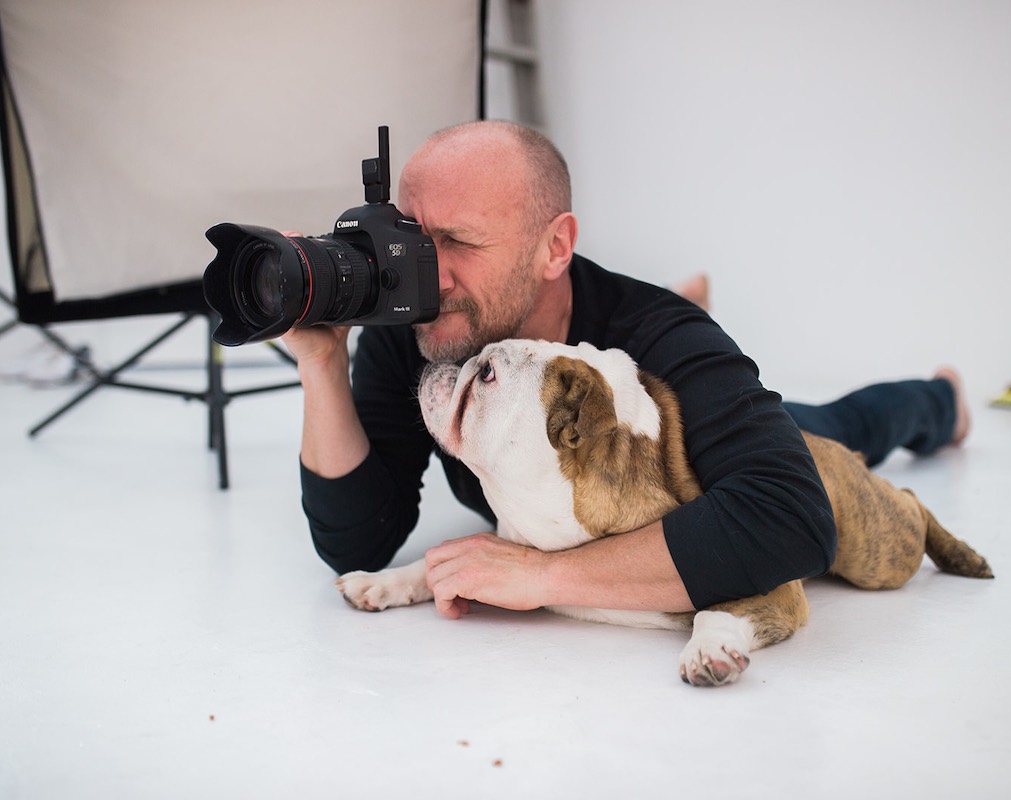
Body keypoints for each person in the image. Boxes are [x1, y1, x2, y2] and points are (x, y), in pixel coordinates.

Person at [283, 120, 968, 620]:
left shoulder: (659, 337)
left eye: (457, 241)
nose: (426, 274)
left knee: (836, 428)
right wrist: (321, 365)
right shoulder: (429, 328)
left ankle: (942, 401)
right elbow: (359, 544)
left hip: (671, 401)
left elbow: (791, 519)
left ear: (556, 247)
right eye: (412, 239)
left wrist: (543, 577)